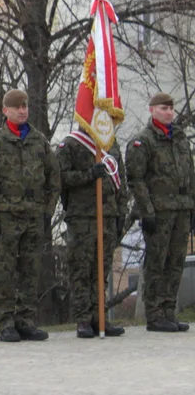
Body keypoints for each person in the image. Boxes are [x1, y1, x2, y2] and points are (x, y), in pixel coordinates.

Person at [0, 89, 60, 342]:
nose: (22, 110)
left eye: (25, 106)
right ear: (5, 111)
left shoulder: (39, 141)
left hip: (34, 216)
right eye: (17, 107)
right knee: (4, 270)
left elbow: (53, 180)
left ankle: (26, 320)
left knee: (31, 270)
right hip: (6, 218)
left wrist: (48, 212)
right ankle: (6, 322)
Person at [126, 92, 195, 333]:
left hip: (181, 210)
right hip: (158, 212)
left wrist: (191, 206)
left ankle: (168, 311)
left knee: (176, 261)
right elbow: (136, 179)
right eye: (164, 108)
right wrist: (147, 212)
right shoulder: (142, 142)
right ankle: (154, 313)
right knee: (156, 261)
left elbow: (190, 174)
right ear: (152, 110)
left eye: (171, 109)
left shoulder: (180, 139)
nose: (169, 112)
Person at [57, 128, 128, 338]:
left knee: (102, 270)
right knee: (81, 269)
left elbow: (120, 181)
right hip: (82, 217)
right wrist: (89, 175)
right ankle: (83, 319)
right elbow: (59, 177)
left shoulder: (110, 143)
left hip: (107, 215)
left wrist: (121, 212)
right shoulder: (71, 144)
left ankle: (100, 318)